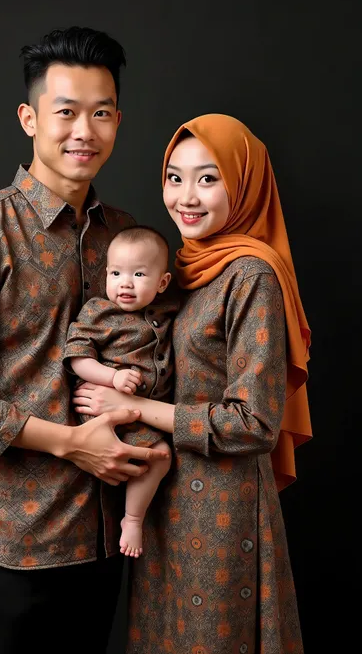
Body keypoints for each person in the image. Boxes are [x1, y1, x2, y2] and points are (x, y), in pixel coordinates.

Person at [0, 26, 169, 654]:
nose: (84, 130)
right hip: (16, 538)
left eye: (101, 113)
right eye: (66, 112)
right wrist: (73, 444)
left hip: (110, 533)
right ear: (29, 118)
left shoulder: (126, 237)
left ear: (118, 121)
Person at [72, 113, 313, 653]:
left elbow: (253, 424)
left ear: (244, 184)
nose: (186, 196)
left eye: (208, 178)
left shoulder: (251, 275)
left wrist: (132, 408)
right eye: (175, 177)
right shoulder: (178, 268)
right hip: (165, 503)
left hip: (222, 511)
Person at [64, 225, 177, 558]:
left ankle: (131, 513)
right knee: (161, 457)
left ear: (162, 283)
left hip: (143, 411)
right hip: (105, 408)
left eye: (139, 274)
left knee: (157, 459)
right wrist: (111, 378)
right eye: (116, 273)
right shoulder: (99, 312)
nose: (125, 283)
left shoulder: (165, 313)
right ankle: (132, 519)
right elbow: (78, 359)